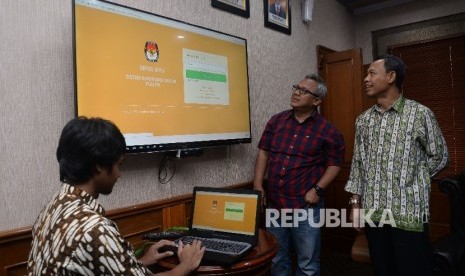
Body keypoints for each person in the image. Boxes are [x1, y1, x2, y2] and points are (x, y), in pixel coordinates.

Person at [27, 117, 205, 275]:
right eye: (118, 165)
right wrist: (185, 266)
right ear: (98, 166)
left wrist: (140, 262)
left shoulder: (52, 208)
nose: (119, 174)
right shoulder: (95, 230)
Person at [345, 54, 449, 276]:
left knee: (415, 269)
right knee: (383, 269)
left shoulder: (420, 114)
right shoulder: (363, 120)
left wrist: (413, 180)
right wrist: (355, 205)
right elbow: (358, 166)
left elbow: (440, 155)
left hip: (408, 212)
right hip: (375, 213)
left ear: (391, 76)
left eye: (372, 73)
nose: (366, 78)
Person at [254, 74, 345, 276]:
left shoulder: (328, 131)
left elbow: (335, 164)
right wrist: (258, 184)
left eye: (304, 91)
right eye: (296, 87)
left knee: (308, 263)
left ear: (317, 100)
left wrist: (318, 189)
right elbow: (263, 152)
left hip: (306, 206)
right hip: (275, 204)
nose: (296, 92)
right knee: (277, 257)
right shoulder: (276, 121)